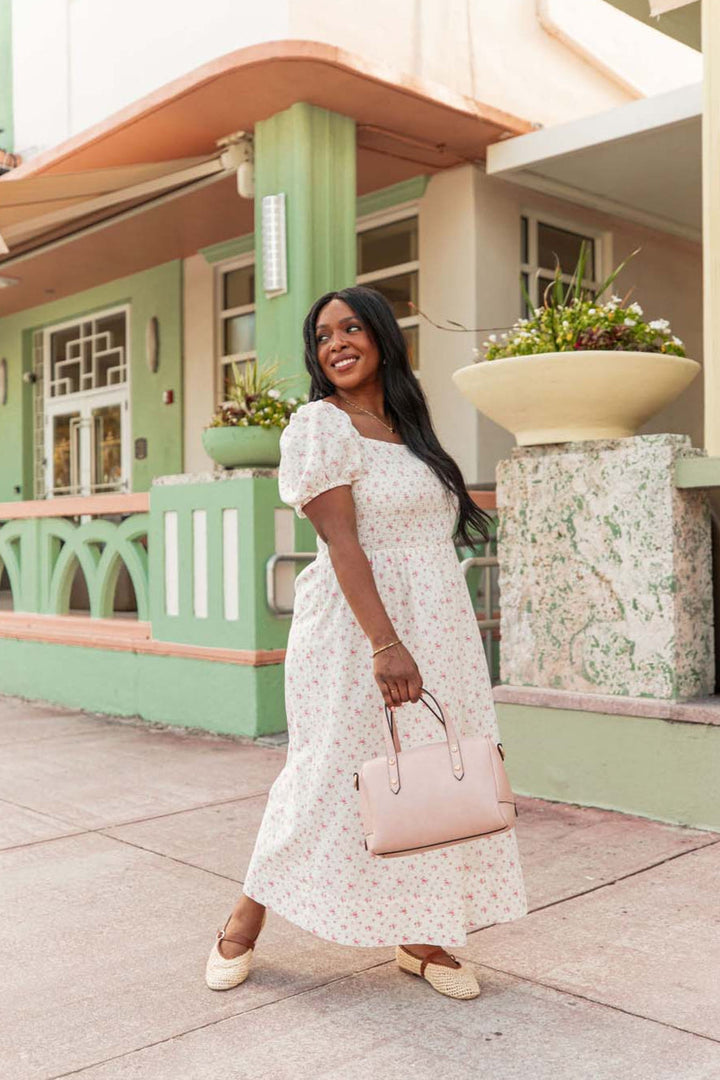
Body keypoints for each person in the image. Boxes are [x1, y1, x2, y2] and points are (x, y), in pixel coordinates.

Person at [205, 285, 527, 1000]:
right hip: (358, 630)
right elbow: (343, 542)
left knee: (431, 778)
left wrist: (422, 637)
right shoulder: (320, 426)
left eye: (352, 328)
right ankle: (241, 924)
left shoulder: (409, 429)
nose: (337, 344)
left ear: (383, 338)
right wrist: (385, 644)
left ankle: (420, 936)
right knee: (325, 776)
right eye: (323, 336)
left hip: (437, 626)